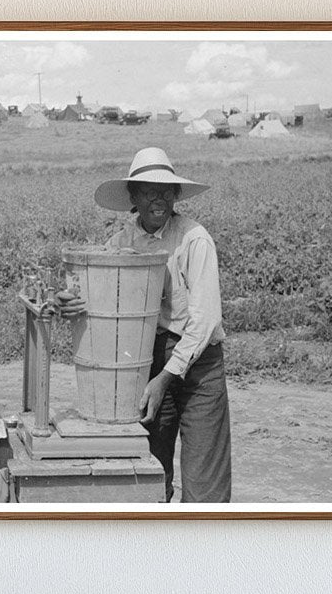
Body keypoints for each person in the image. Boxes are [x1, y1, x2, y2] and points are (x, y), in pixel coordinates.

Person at [90, 147, 232, 503]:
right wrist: (74, 300)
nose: (159, 198)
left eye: (167, 190)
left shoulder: (194, 238)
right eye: (149, 190)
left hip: (199, 365)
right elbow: (101, 295)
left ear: (176, 195)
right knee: (152, 473)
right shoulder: (120, 243)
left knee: (204, 485)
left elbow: (204, 320)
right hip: (148, 360)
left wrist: (167, 376)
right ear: (133, 198)